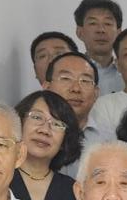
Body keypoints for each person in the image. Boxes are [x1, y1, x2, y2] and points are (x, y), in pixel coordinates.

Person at [12, 90, 83, 200]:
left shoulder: (74, 191)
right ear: (19, 123)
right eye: (37, 117)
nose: (45, 130)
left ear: (64, 141)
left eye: (57, 124)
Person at [43, 51, 100, 179]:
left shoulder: (109, 141)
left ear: (96, 93)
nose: (75, 89)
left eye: (85, 81)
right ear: (47, 87)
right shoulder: (30, 135)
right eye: (65, 79)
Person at [74, 0, 123, 95]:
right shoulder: (70, 73)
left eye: (108, 23)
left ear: (119, 33)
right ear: (79, 32)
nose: (101, 30)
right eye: (93, 23)